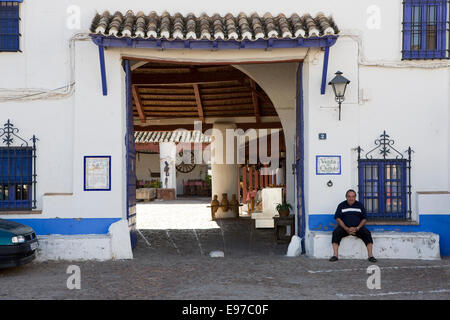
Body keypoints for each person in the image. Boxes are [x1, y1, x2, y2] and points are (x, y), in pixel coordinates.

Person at [329, 189, 377, 262]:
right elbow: (338, 218)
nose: (351, 198)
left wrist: (357, 228)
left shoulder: (360, 205)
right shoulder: (341, 205)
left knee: (367, 233)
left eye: (353, 196)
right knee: (336, 232)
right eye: (349, 196)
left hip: (357, 228)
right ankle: (335, 255)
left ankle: (370, 256)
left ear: (355, 197)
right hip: (344, 228)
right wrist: (346, 228)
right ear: (346, 197)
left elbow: (364, 219)